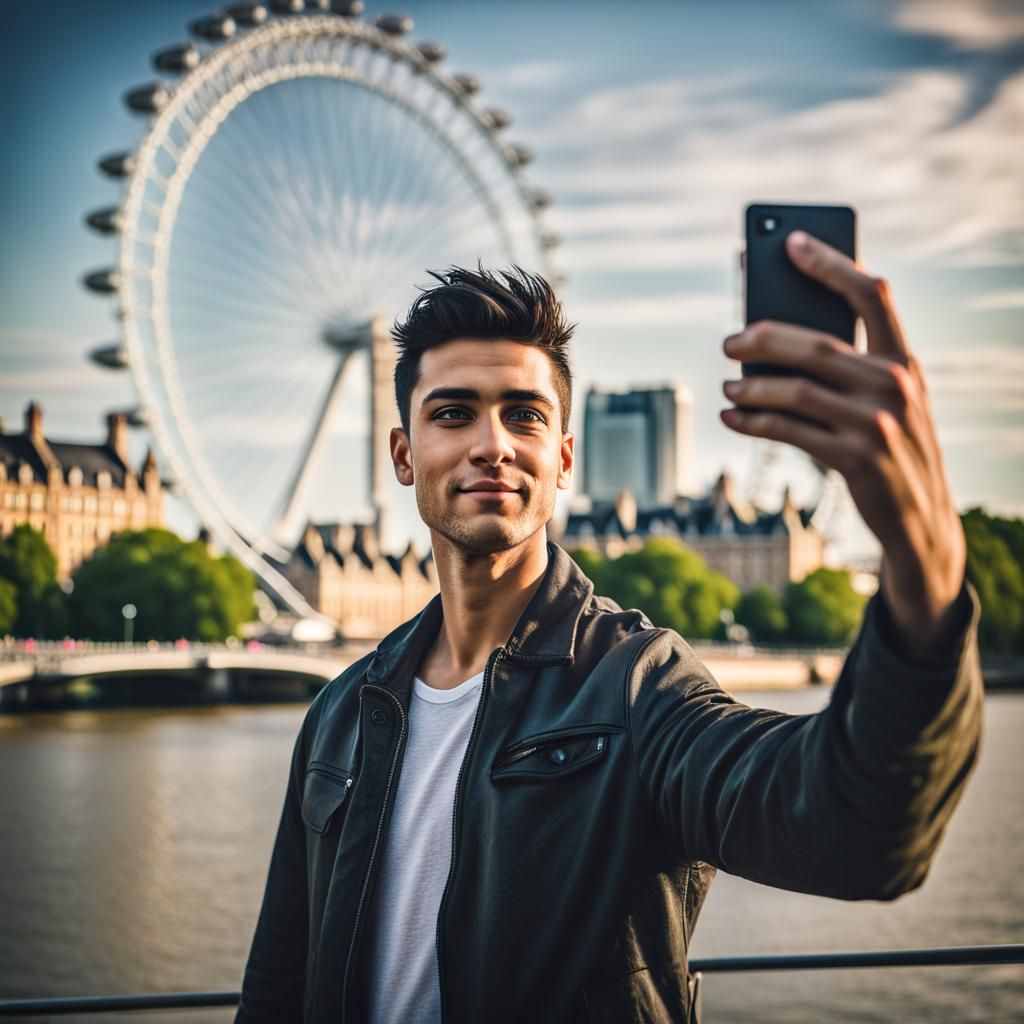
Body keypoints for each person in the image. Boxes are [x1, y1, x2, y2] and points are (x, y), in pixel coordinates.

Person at [235, 234, 982, 1024]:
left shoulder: (636, 687)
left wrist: (925, 566)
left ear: (562, 457)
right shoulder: (342, 714)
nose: (492, 444)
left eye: (523, 416)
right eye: (453, 414)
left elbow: (855, 832)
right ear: (404, 454)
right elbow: (281, 981)